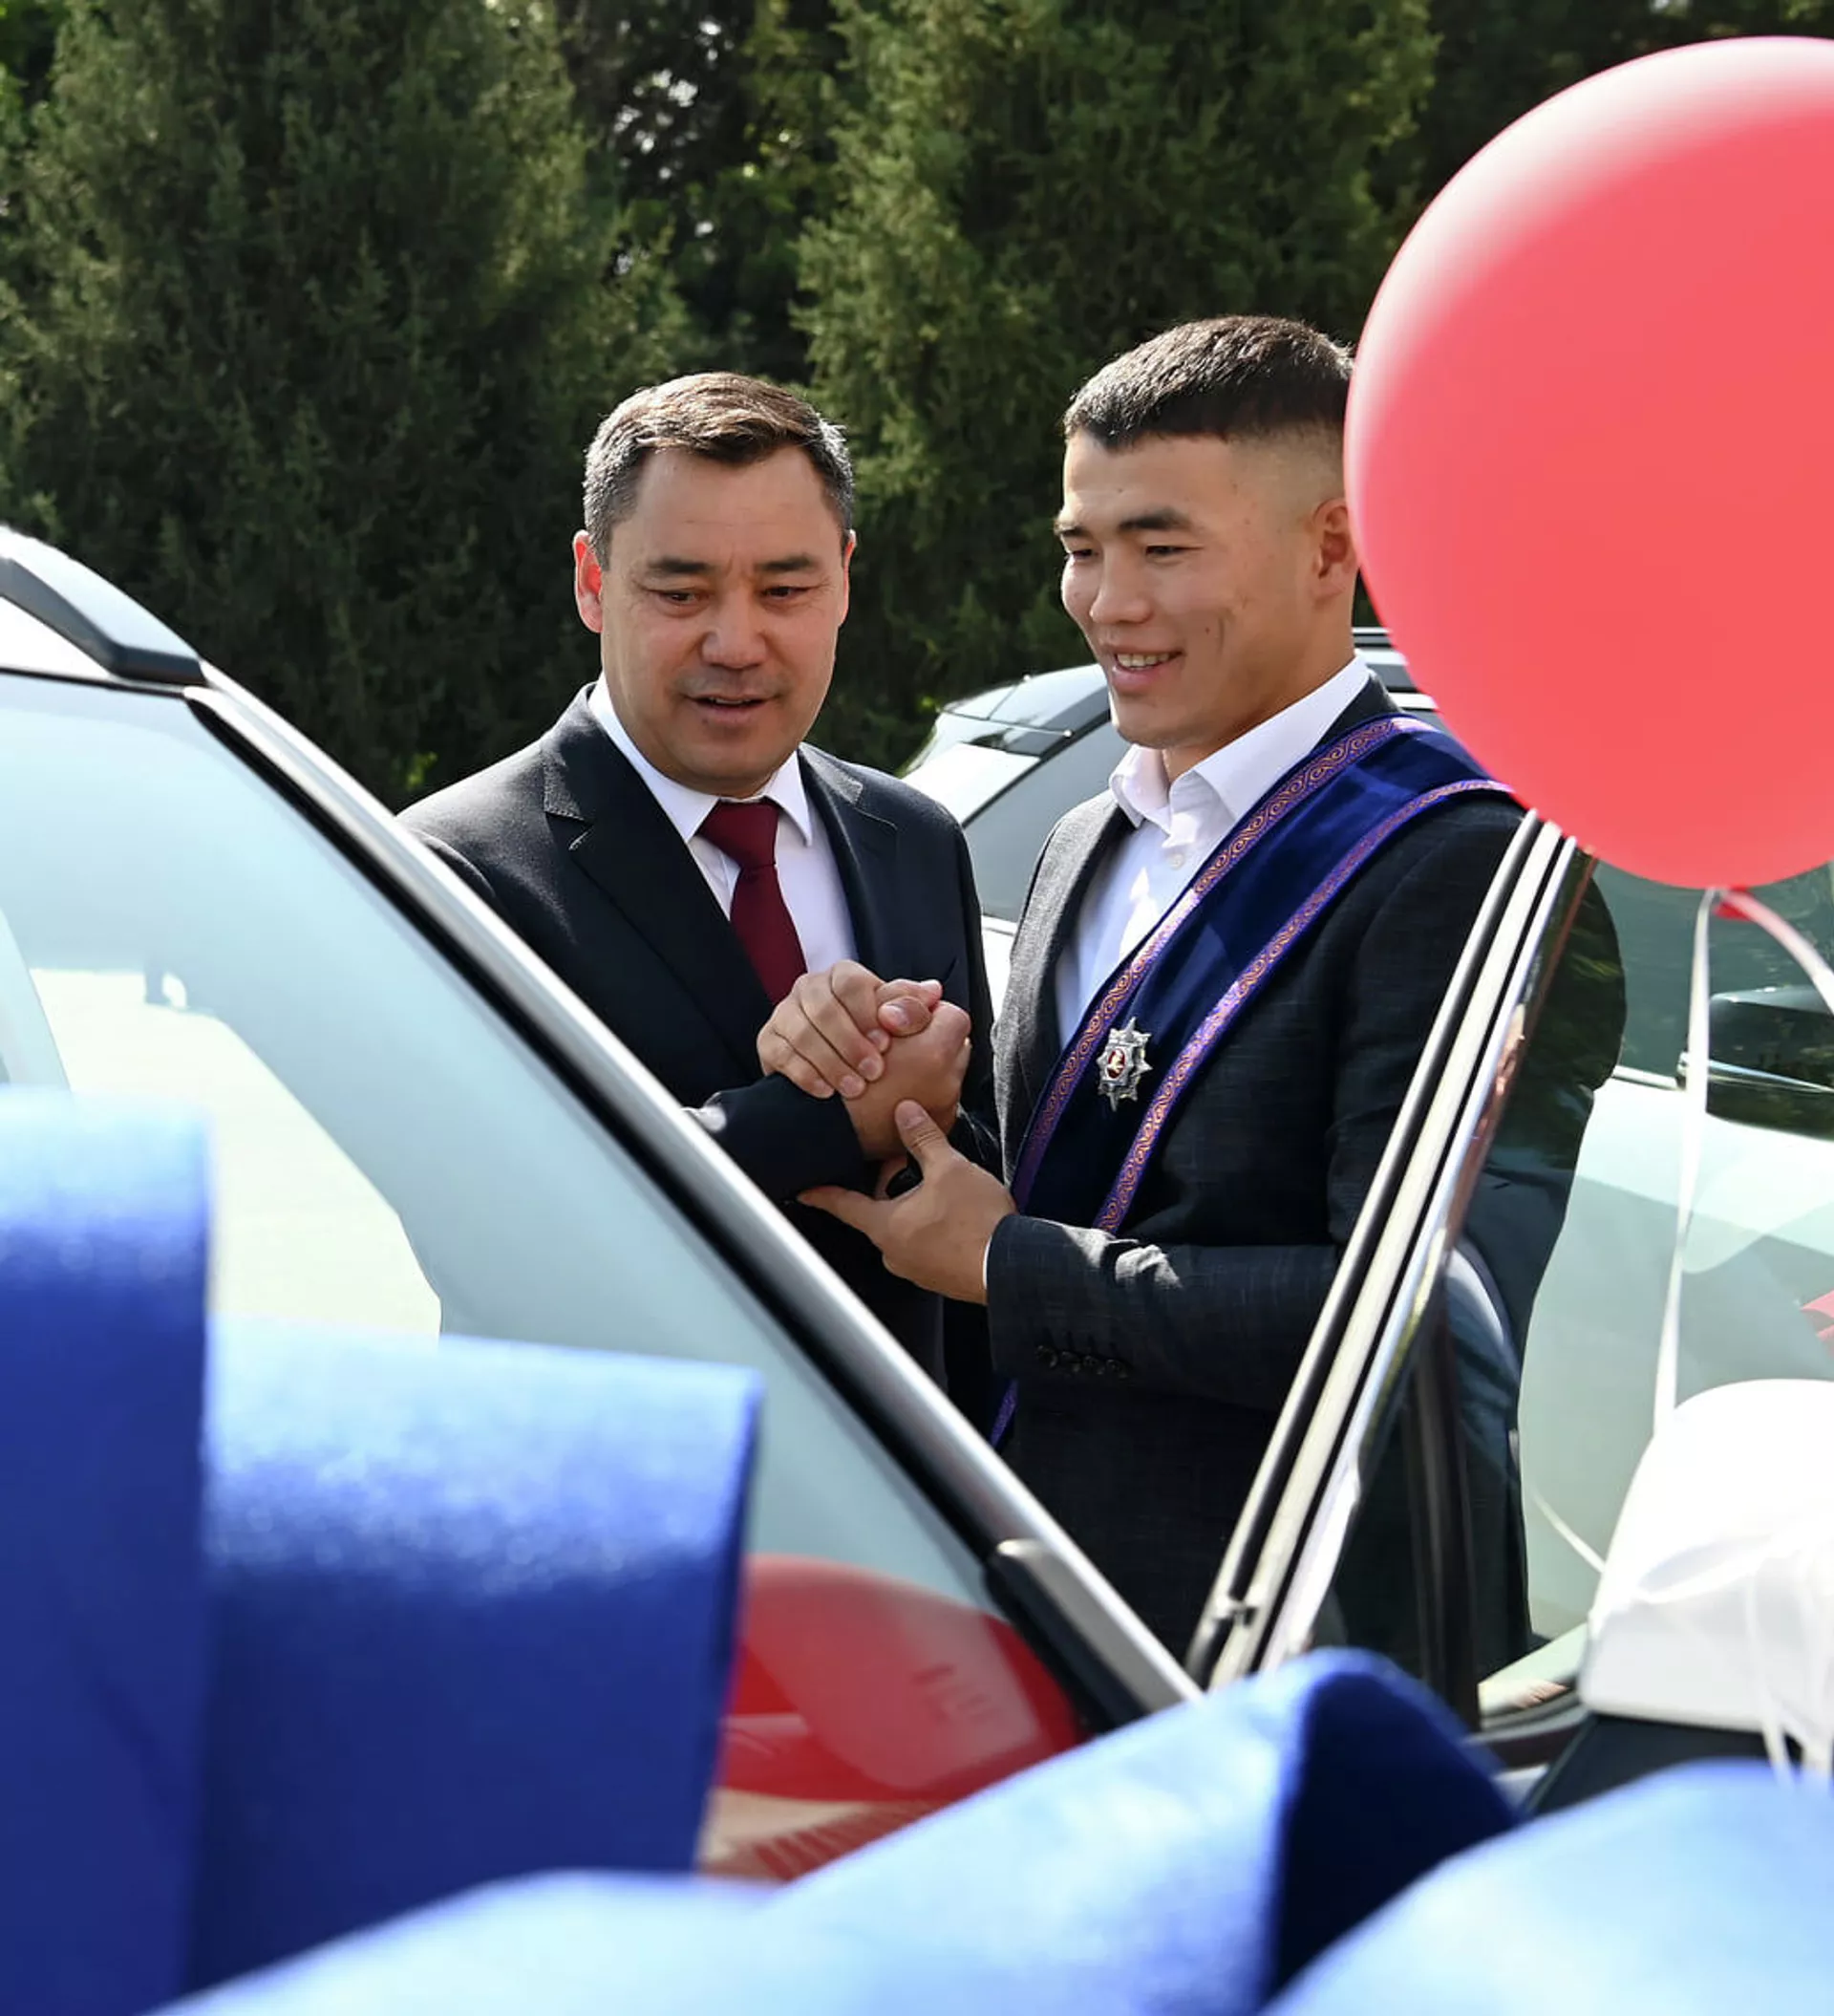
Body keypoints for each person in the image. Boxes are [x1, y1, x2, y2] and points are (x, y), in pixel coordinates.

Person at [766, 317, 1524, 1651]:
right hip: (1048, 1595)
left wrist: (1014, 1265)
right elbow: (1064, 1188)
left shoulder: (1453, 856)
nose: (1107, 602)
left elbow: (1408, 1320)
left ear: (1332, 546)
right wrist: (899, 1103)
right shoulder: (1085, 834)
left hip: (1294, 1632)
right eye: (1082, 546)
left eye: (1162, 548)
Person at [403, 372, 994, 1379]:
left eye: (785, 590)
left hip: (899, 1473)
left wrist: (920, 1096)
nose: (735, 642)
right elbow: (492, 1232)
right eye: (680, 593)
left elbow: (979, 1190)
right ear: (593, 583)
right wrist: (823, 1119)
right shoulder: (456, 867)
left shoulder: (914, 837)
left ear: (845, 580)